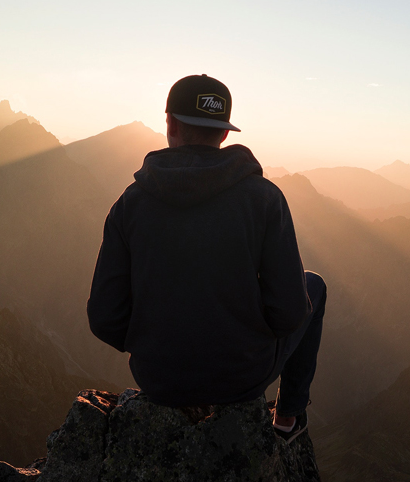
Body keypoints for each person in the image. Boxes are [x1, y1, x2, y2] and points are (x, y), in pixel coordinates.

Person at [87, 74, 326, 442]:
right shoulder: (264, 200)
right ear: (225, 134)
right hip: (242, 378)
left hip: (158, 378)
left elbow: (105, 318)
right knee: (314, 285)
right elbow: (291, 312)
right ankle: (287, 420)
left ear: (170, 124)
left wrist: (156, 344)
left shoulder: (129, 204)